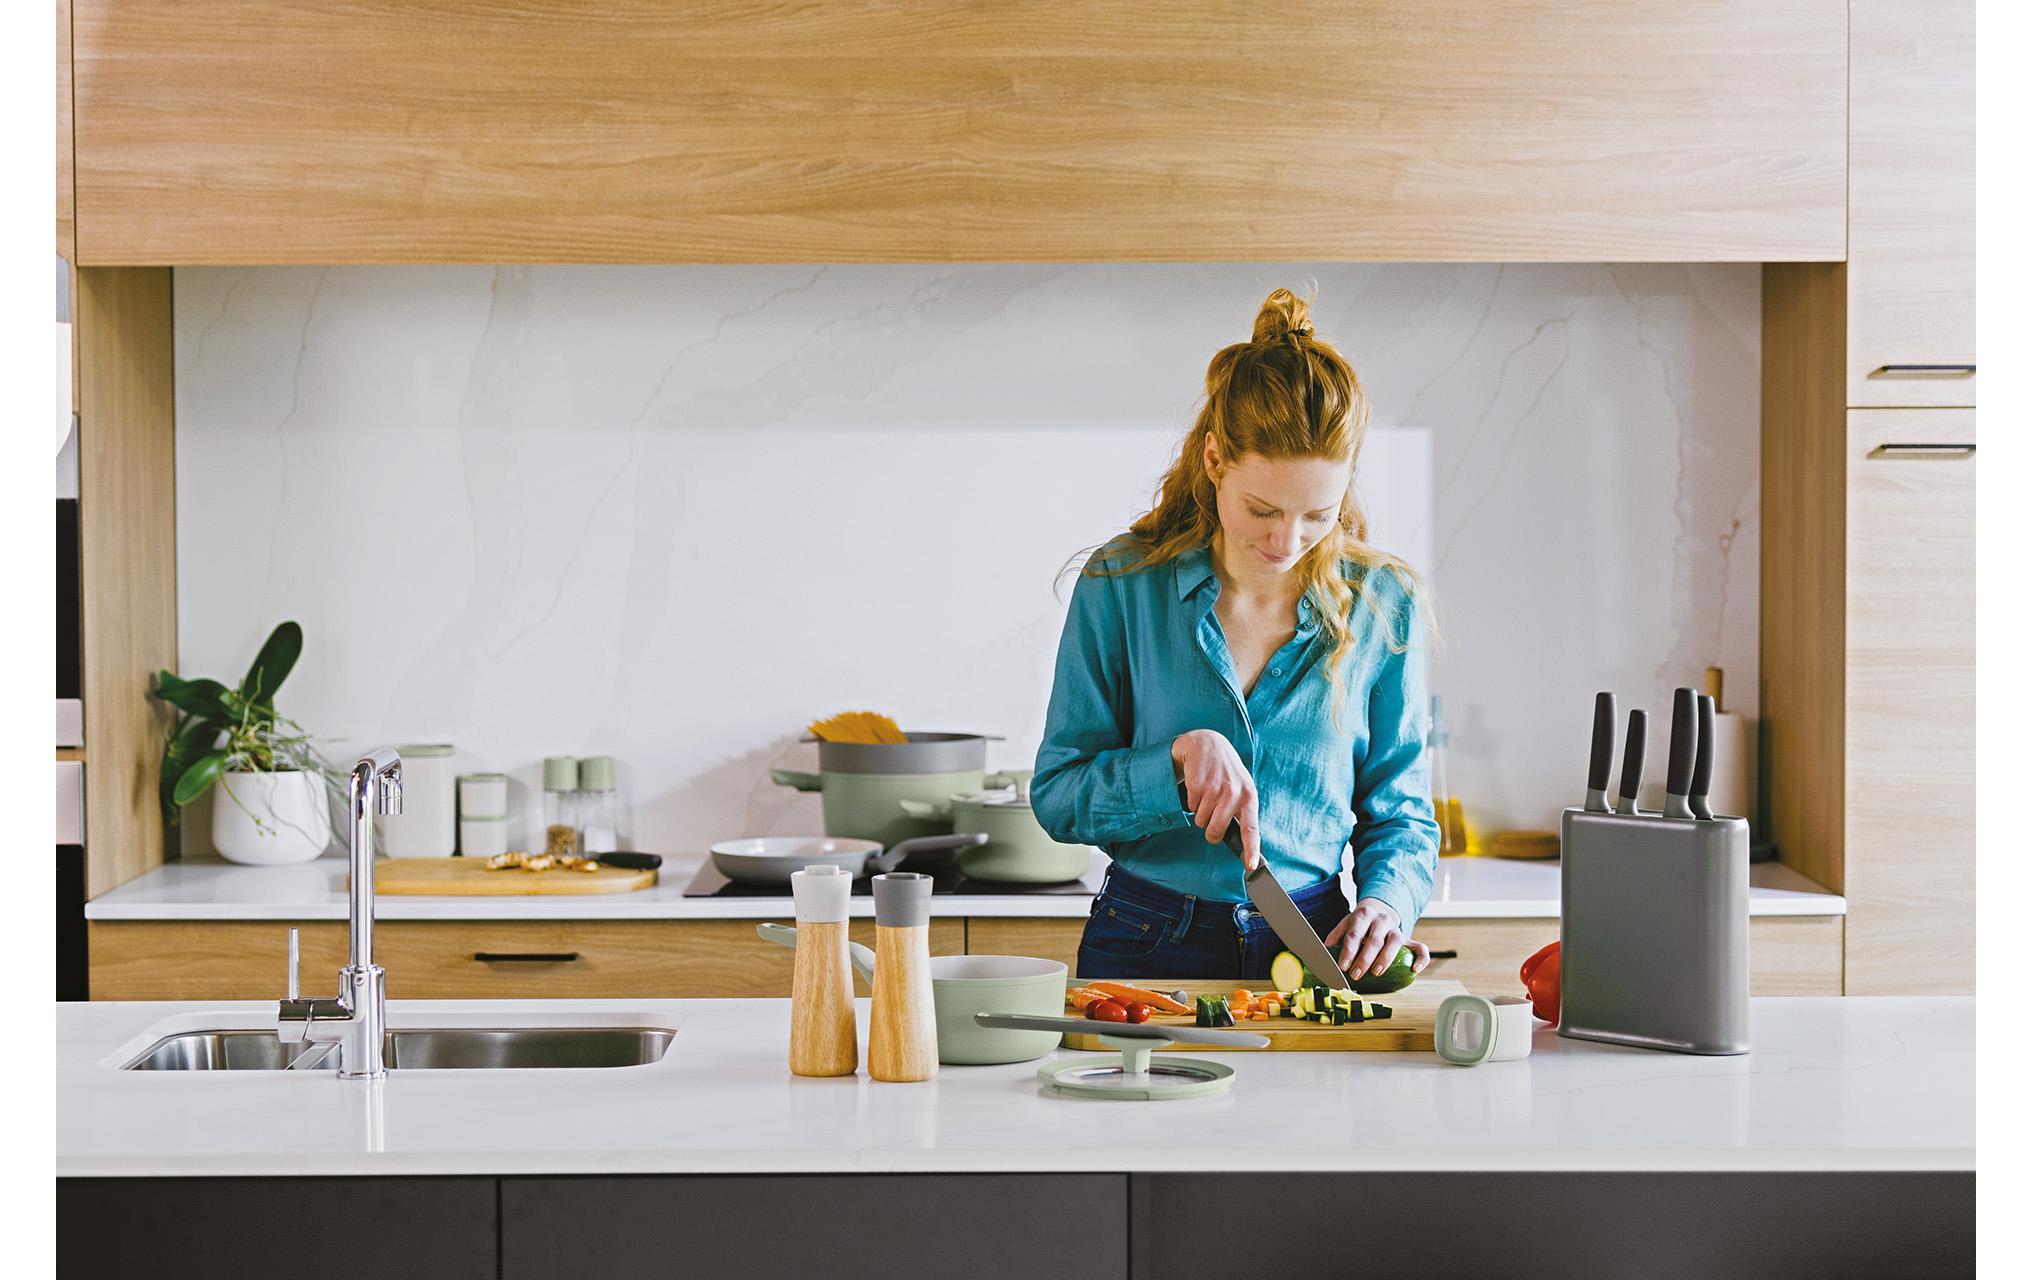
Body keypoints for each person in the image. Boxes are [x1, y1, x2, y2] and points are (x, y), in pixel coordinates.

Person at [1032, 287, 1440, 983]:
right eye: (1262, 509)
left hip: (1314, 939)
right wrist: (1175, 762)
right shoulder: (1122, 584)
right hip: (1146, 938)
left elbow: (1400, 811)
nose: (1288, 540)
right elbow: (1058, 796)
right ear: (1215, 460)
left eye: (1319, 513)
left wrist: (1386, 903)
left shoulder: (1384, 604)